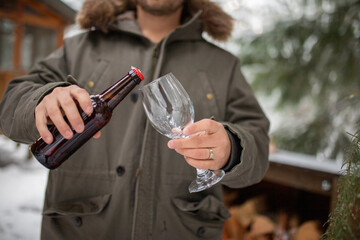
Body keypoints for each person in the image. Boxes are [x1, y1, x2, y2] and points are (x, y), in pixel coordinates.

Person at [0, 0, 270, 239]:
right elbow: (9, 105)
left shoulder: (223, 64)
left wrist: (233, 146)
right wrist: (42, 100)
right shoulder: (79, 47)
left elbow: (257, 144)